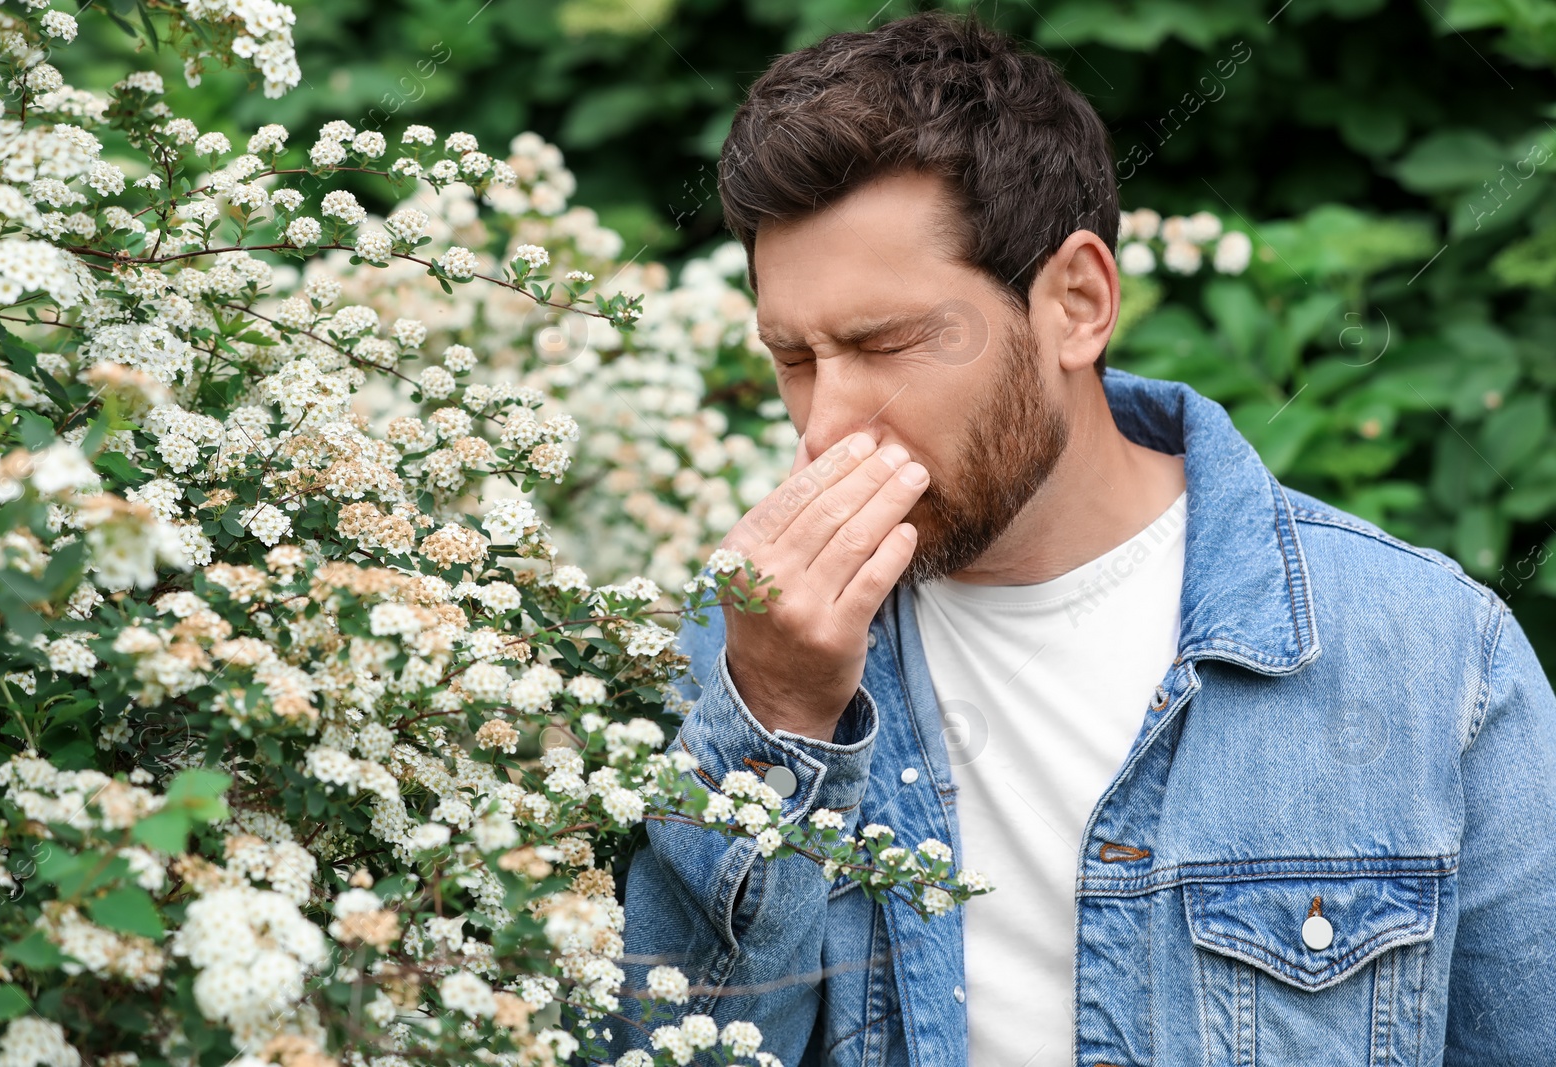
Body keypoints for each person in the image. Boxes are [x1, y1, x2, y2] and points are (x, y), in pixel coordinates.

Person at [603, 9, 1556, 1066]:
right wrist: (774, 719)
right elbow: (671, 1049)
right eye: (794, 356)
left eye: (887, 342)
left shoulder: (1429, 654)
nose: (826, 423)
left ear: (1077, 301)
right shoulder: (744, 644)